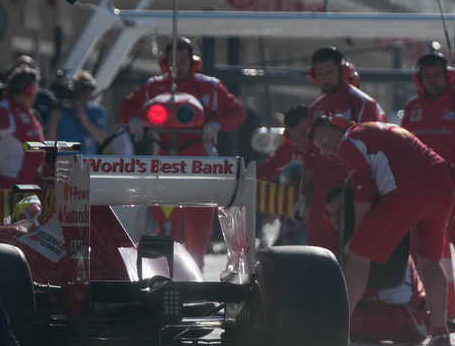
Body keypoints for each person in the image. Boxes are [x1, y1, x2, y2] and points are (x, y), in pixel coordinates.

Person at [310, 117, 455, 346]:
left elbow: (364, 190)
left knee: (357, 256)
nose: (326, 148)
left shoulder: (349, 141)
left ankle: (339, 331)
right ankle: (440, 332)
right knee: (430, 260)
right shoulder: (379, 129)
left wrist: (357, 237)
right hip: (443, 182)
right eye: (320, 148)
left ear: (338, 126)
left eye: (324, 138)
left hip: (408, 190)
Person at [117, 37, 247, 268]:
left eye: (182, 60)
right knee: (166, 226)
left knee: (199, 226)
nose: (177, 66)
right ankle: (166, 273)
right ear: (164, 62)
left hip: (199, 169)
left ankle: (195, 273)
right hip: (165, 168)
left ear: (192, 61)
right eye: (172, 61)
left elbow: (237, 112)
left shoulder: (210, 87)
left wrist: (215, 123)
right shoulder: (154, 87)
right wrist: (135, 120)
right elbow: (125, 107)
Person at [401, 51, 455, 323]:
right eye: (426, 76)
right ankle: (429, 306)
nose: (432, 81)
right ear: (420, 78)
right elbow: (402, 152)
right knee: (422, 252)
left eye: (437, 75)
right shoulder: (412, 108)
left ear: (447, 75)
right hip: (421, 195)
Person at [295, 46, 385, 255]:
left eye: (330, 73)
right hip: (320, 198)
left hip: (351, 193)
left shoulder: (364, 104)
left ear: (343, 72)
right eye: (320, 74)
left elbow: (373, 155)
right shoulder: (314, 109)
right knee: (318, 257)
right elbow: (309, 159)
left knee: (351, 254)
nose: (325, 79)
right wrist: (303, 198)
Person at [0, 66, 45, 189]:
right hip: (13, 186)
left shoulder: (25, 110)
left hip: (31, 184)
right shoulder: (6, 109)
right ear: (29, 90)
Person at [45, 70, 107, 155]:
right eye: (83, 88)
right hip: (64, 161)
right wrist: (53, 121)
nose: (86, 93)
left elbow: (102, 139)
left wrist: (84, 120)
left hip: (87, 162)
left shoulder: (97, 111)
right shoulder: (61, 110)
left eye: (91, 88)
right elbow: (50, 144)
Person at [256, 104, 309, 182]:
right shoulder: (288, 148)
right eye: (294, 137)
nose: (301, 141)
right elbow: (260, 175)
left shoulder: (331, 145)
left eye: (304, 133)